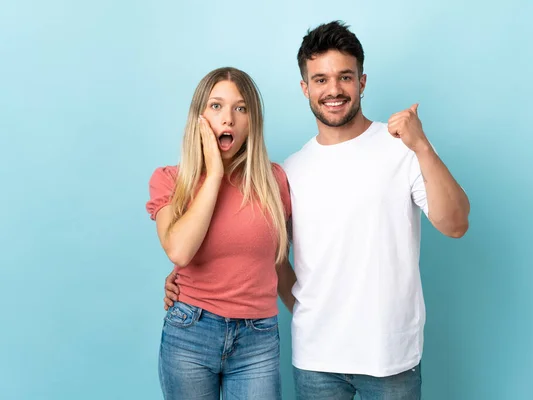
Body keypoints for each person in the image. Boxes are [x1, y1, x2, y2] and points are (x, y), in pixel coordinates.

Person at [165, 21, 470, 399]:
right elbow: (262, 250)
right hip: (316, 361)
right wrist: (185, 279)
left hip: (391, 357)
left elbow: (456, 223)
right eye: (321, 79)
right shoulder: (288, 172)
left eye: (345, 77)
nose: (334, 90)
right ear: (305, 88)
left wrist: (422, 146)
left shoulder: (402, 148)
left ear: (361, 82)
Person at [146, 67, 294, 400]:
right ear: (199, 117)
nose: (228, 118)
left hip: (258, 339)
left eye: (240, 108)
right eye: (216, 106)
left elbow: (280, 265)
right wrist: (213, 172)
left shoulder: (275, 182)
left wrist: (316, 320)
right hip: (190, 332)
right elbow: (180, 252)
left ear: (252, 121)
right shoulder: (171, 180)